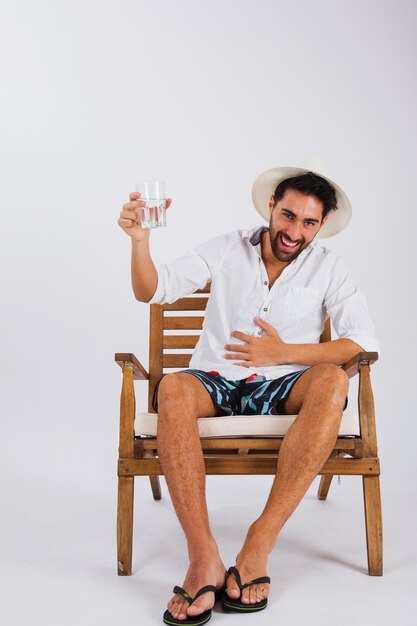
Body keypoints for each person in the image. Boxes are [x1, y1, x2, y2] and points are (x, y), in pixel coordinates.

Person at [118, 158, 380, 625]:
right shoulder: (226, 248)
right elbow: (151, 290)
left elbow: (361, 341)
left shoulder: (330, 268)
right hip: (215, 380)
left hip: (283, 384)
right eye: (288, 215)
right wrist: (141, 242)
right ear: (271, 206)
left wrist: (282, 351)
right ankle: (204, 557)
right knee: (174, 387)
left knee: (334, 378)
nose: (294, 231)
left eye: (308, 222)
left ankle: (259, 544)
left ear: (320, 226)